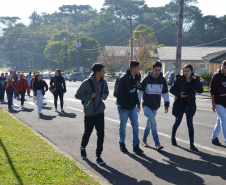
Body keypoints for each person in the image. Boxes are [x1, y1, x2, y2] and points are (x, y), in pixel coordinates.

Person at [75, 63, 109, 165]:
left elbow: (107, 92)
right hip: (89, 113)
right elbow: (77, 95)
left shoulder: (104, 83)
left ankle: (98, 156)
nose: (104, 72)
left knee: (101, 134)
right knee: (88, 133)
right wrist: (89, 96)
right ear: (97, 72)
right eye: (103, 70)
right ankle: (83, 147)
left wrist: (104, 96)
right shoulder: (87, 83)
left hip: (100, 112)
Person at [170, 64, 203, 151]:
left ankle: (192, 144)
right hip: (180, 103)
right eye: (184, 71)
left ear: (191, 71)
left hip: (190, 104)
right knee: (177, 121)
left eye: (188, 71)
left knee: (190, 124)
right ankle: (173, 137)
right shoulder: (179, 79)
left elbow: (200, 90)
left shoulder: (195, 80)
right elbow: (172, 90)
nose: (186, 73)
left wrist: (196, 81)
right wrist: (179, 94)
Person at [138, 61, 170, 151]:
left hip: (155, 105)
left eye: (159, 70)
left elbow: (165, 93)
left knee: (149, 124)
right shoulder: (146, 79)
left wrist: (166, 104)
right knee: (153, 123)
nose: (157, 72)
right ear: (152, 69)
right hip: (146, 105)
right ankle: (157, 143)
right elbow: (140, 92)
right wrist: (138, 104)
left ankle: (144, 140)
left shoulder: (162, 80)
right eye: (156, 70)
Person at [116, 60, 144, 154]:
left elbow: (136, 91)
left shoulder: (138, 77)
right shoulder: (123, 79)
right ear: (132, 69)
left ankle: (136, 146)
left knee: (135, 125)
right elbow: (118, 95)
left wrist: (137, 104)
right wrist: (125, 105)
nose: (139, 69)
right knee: (123, 125)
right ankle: (122, 143)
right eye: (138, 68)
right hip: (123, 106)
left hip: (132, 106)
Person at [210, 60, 226, 146]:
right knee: (224, 121)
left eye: (225, 67)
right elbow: (212, 91)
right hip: (219, 102)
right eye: (223, 66)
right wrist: (213, 103)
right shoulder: (216, 76)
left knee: (220, 120)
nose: (223, 68)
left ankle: (214, 137)